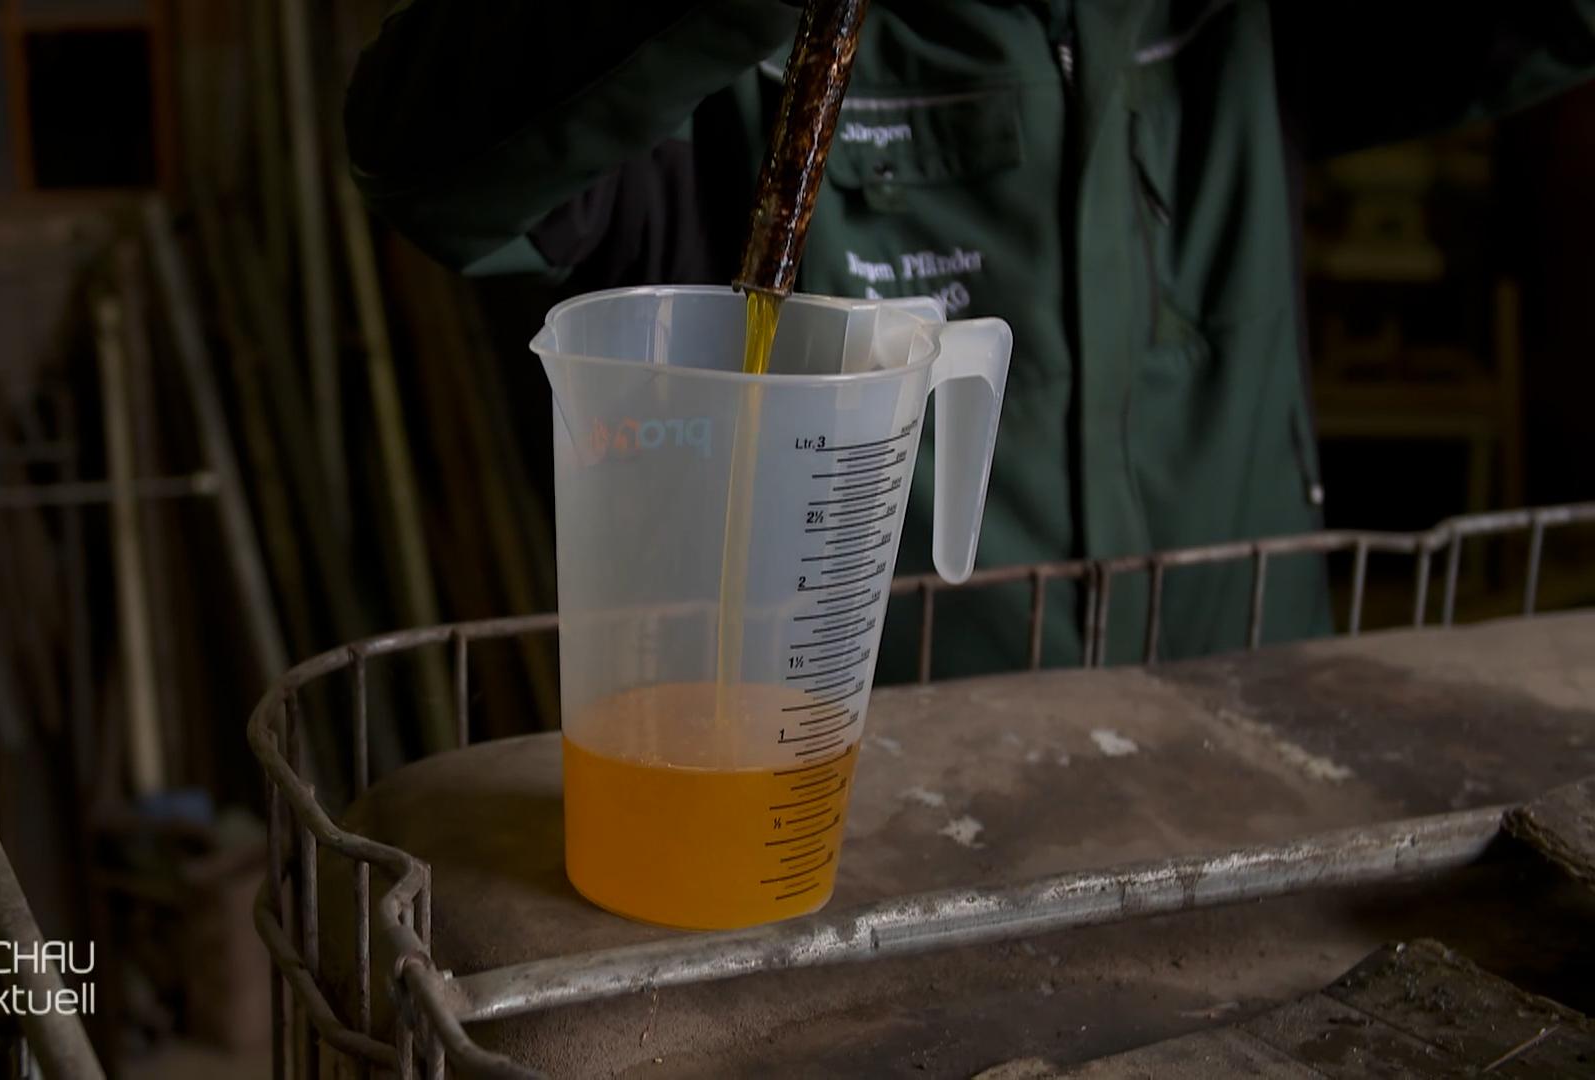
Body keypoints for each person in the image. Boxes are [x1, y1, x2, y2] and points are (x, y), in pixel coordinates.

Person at [343, 1, 1595, 677]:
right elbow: (428, 166)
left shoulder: (1238, 23)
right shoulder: (735, 62)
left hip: (1249, 749)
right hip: (852, 808)